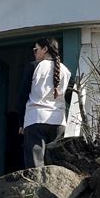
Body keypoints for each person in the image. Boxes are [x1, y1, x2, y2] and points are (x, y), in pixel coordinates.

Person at [18, 38, 74, 169]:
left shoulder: (34, 66)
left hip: (35, 119)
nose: (34, 53)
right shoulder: (66, 71)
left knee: (35, 165)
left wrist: (21, 121)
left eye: (36, 49)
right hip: (58, 121)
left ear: (45, 49)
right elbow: (70, 97)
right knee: (55, 164)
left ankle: (36, 189)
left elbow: (22, 96)